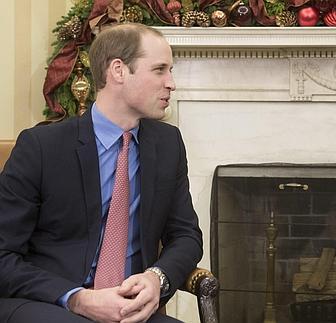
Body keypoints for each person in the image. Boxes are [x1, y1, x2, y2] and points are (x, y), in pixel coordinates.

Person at [0, 23, 203, 322]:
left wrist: (155, 278)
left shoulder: (168, 144)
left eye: (170, 71)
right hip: (49, 302)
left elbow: (186, 236)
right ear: (118, 71)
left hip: (128, 308)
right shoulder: (42, 147)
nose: (171, 83)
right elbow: (3, 255)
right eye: (160, 70)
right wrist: (77, 299)